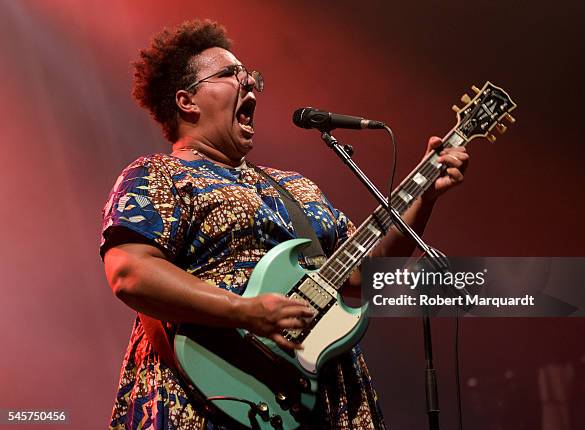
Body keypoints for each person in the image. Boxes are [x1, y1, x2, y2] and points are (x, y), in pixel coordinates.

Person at [100, 20, 469, 430]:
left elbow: (366, 271)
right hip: (210, 394)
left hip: (320, 396)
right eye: (231, 75)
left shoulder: (297, 187)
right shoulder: (157, 174)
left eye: (252, 77)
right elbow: (130, 273)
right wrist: (246, 311)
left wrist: (424, 197)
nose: (251, 86)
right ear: (187, 101)